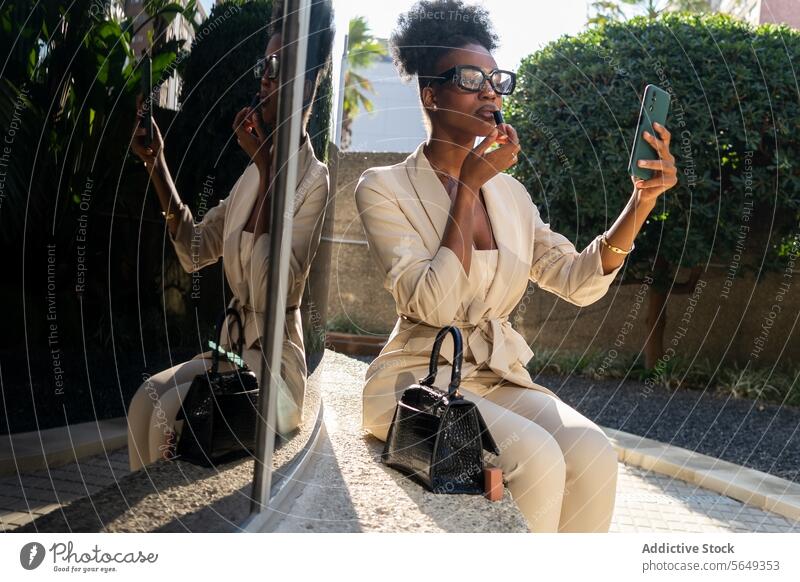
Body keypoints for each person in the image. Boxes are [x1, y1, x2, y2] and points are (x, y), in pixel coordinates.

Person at [354, 0, 677, 532]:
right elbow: (431, 302)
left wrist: (640, 201)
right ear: (430, 94)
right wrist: (468, 187)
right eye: (469, 78)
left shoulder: (513, 196)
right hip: (416, 375)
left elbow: (577, 281)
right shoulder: (384, 188)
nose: (489, 91)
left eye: (495, 79)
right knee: (538, 457)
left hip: (498, 377)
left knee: (594, 452)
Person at [127, 0, 335, 471]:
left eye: (278, 67)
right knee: (146, 403)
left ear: (305, 88)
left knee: (167, 421)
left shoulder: (313, 180)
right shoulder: (249, 176)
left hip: (275, 368)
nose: (265, 75)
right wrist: (155, 163)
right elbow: (194, 250)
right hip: (231, 352)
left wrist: (266, 168)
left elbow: (267, 290)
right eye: (265, 63)